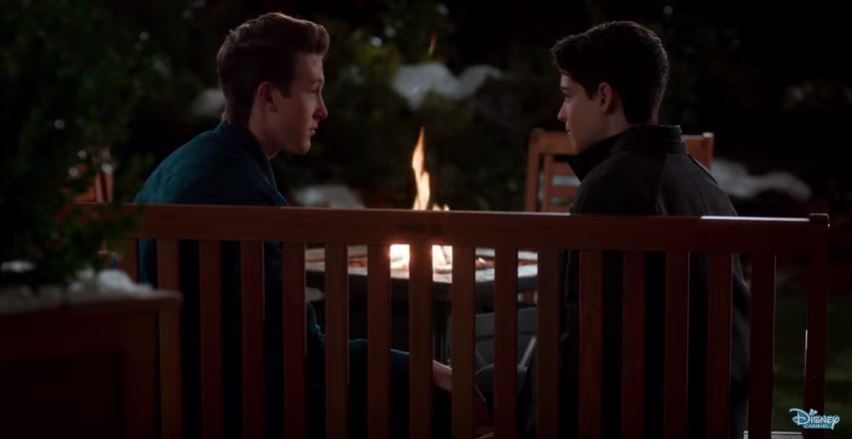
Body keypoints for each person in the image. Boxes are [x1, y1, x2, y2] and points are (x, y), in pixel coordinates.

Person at [135, 12, 461, 438]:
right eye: (313, 90)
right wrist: (421, 368)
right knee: (458, 397)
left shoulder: (177, 167)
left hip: (170, 403)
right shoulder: (247, 197)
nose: (323, 110)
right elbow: (303, 353)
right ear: (268, 96)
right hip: (253, 410)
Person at [516, 21, 749, 438]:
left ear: (604, 97)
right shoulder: (704, 184)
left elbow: (586, 344)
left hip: (628, 418)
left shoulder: (610, 190)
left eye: (568, 96)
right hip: (705, 419)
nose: (561, 114)